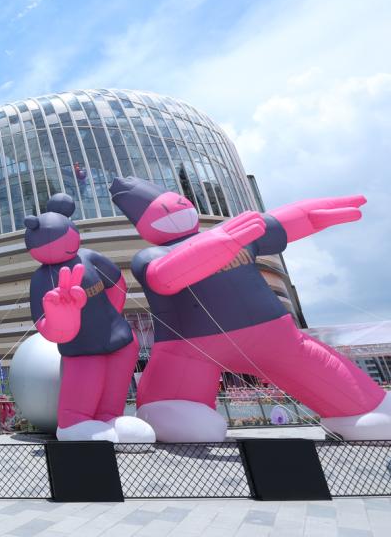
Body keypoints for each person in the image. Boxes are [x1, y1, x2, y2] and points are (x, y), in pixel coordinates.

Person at [110, 176, 391, 441]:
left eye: (178, 202)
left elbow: (280, 222)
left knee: (346, 393)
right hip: (191, 349)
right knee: (176, 410)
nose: (176, 208)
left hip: (275, 338)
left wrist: (311, 213)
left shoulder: (236, 232)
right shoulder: (152, 256)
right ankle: (175, 412)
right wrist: (218, 244)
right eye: (165, 208)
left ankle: (360, 409)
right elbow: (164, 277)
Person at [24, 193, 154, 443]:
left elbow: (116, 283)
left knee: (112, 397)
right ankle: (74, 423)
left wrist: (110, 316)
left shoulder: (88, 257)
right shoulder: (41, 279)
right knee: (83, 393)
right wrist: (63, 321)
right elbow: (44, 325)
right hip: (82, 350)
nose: (65, 241)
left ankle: (110, 419)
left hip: (121, 340)